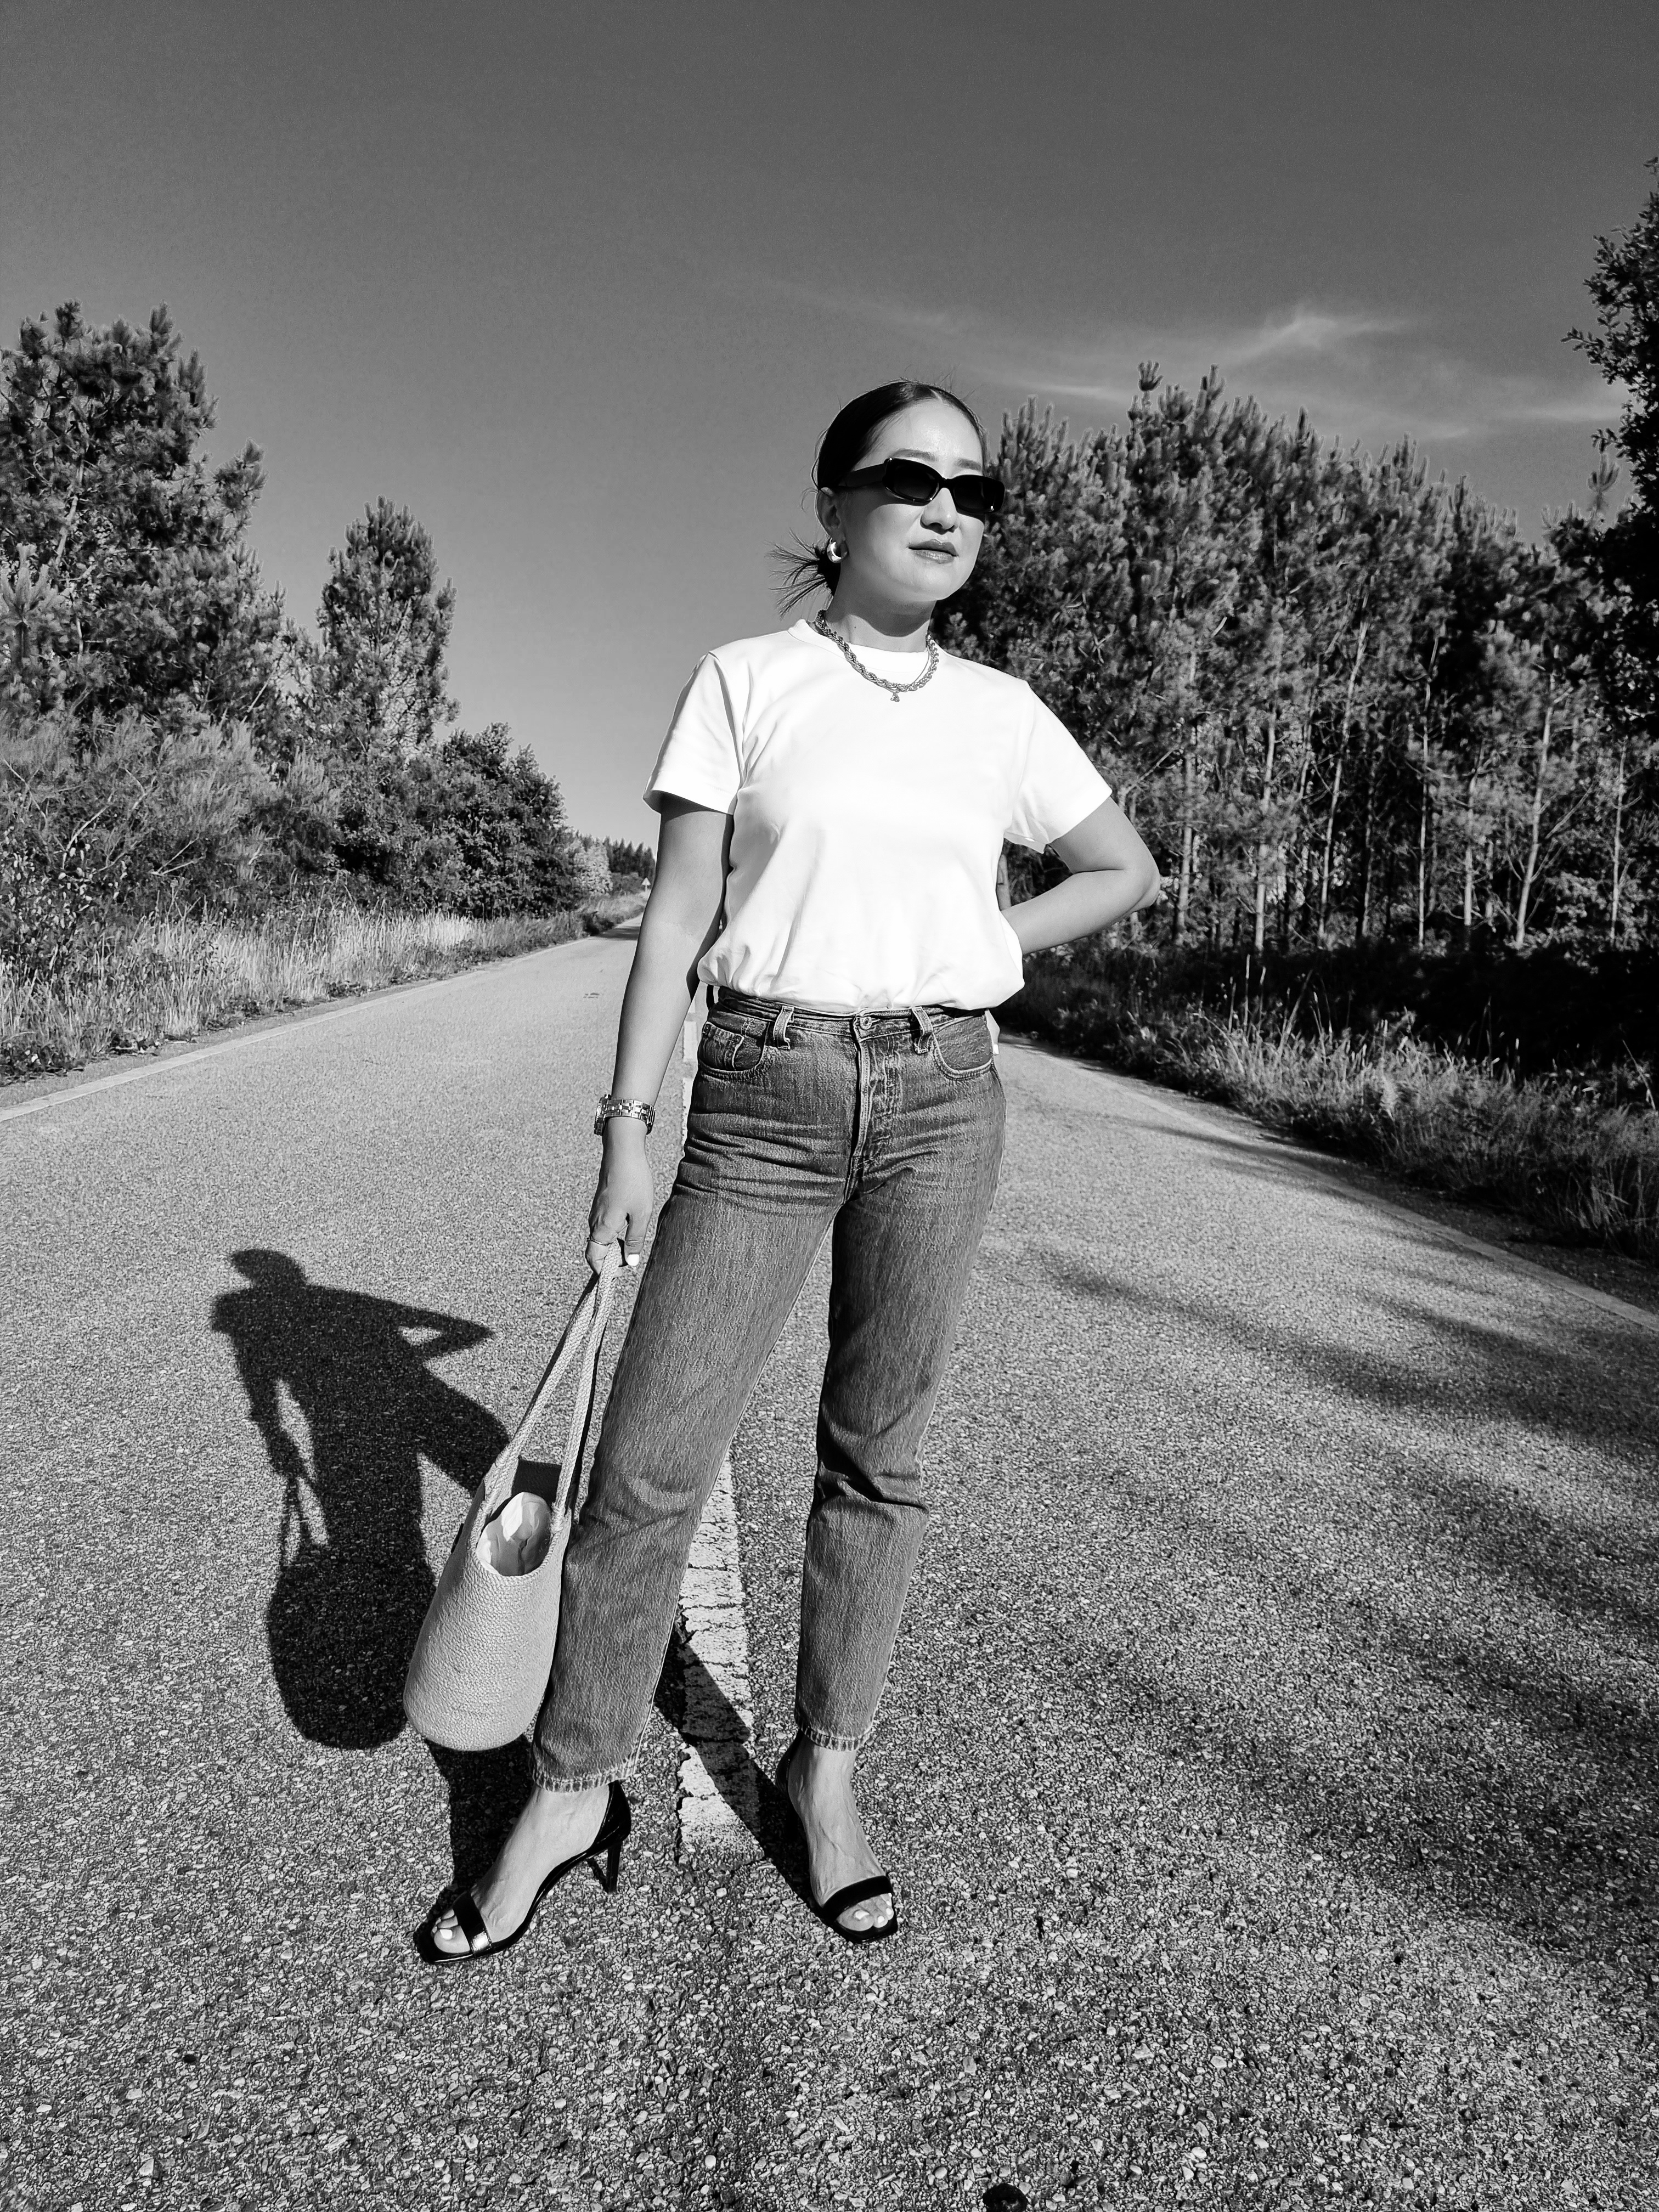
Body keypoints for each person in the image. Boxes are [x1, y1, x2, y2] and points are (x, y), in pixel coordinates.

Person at [429, 379, 1160, 1959]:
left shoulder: (1004, 712)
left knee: (877, 1456)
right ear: (831, 507)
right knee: (646, 1465)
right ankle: (570, 1788)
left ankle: (826, 1775)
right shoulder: (747, 680)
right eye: (910, 477)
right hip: (759, 1090)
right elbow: (677, 917)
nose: (948, 506)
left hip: (942, 1094)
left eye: (976, 486)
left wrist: (983, 943)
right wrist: (626, 1129)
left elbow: (1123, 870)